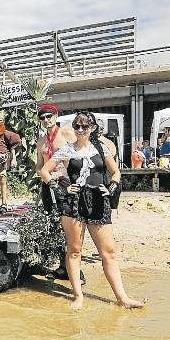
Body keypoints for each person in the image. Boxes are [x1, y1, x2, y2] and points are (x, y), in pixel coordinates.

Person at [40, 111, 146, 310]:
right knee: (74, 250)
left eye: (84, 127)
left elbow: (115, 172)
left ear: (93, 129)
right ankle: (78, 296)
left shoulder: (101, 149)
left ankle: (122, 298)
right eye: (77, 126)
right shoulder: (67, 150)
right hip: (73, 203)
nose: (80, 130)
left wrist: (111, 187)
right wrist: (60, 187)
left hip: (98, 201)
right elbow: (45, 171)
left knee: (109, 252)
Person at [35, 104, 85, 284]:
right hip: (49, 184)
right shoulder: (40, 142)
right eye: (42, 118)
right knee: (53, 224)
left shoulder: (67, 134)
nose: (46, 120)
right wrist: (48, 178)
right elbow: (39, 166)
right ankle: (63, 267)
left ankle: (77, 271)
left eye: (49, 116)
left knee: (70, 225)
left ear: (56, 116)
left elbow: (79, 159)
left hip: (66, 183)